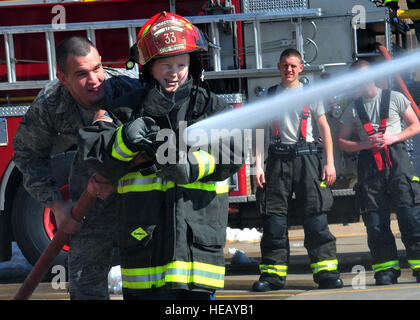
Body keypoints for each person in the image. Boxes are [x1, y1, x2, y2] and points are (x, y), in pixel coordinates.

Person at [78, 11, 243, 300]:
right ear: (148, 67)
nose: (175, 72)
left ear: (193, 65)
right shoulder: (127, 109)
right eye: (165, 64)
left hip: (196, 261)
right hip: (146, 257)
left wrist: (191, 167)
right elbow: (92, 152)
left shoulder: (210, 107)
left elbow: (237, 149)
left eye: (181, 63)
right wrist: (125, 137)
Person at [12, 36, 142, 299]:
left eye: (97, 68)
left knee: (147, 281)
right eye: (82, 74)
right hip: (90, 195)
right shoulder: (51, 103)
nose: (94, 80)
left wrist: (117, 178)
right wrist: (56, 205)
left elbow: (163, 147)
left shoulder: (131, 90)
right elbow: (27, 154)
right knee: (85, 285)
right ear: (63, 78)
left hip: (139, 191)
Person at [252, 48, 343, 291]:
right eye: (285, 65)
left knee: (316, 218)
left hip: (308, 161)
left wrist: (330, 162)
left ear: (301, 68)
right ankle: (272, 276)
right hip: (277, 162)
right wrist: (257, 165)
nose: (289, 69)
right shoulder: (269, 96)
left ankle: (326, 273)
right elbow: (260, 131)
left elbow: (324, 129)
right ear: (279, 67)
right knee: (273, 221)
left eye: (293, 65)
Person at [337, 59, 420, 285]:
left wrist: (394, 137)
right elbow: (342, 141)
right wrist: (364, 144)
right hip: (369, 165)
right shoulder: (353, 108)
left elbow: (416, 125)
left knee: (410, 216)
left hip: (397, 160)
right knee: (375, 221)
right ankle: (386, 270)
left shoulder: (394, 97)